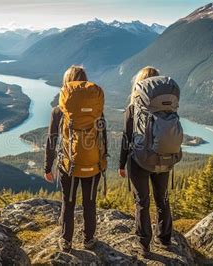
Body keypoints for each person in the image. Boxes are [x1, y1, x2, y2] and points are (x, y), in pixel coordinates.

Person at [119, 66, 183, 252]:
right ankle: (164, 239)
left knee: (142, 201)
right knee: (162, 198)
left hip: (140, 160)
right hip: (164, 158)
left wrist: (122, 164)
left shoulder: (133, 108)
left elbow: (126, 138)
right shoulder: (168, 107)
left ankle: (143, 243)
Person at [44, 65, 107, 253]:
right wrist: (102, 160)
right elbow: (103, 136)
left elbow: (52, 140)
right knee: (90, 202)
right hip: (93, 164)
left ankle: (66, 242)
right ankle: (89, 240)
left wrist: (48, 167)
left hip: (68, 165)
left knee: (68, 202)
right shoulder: (96, 109)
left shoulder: (59, 110)